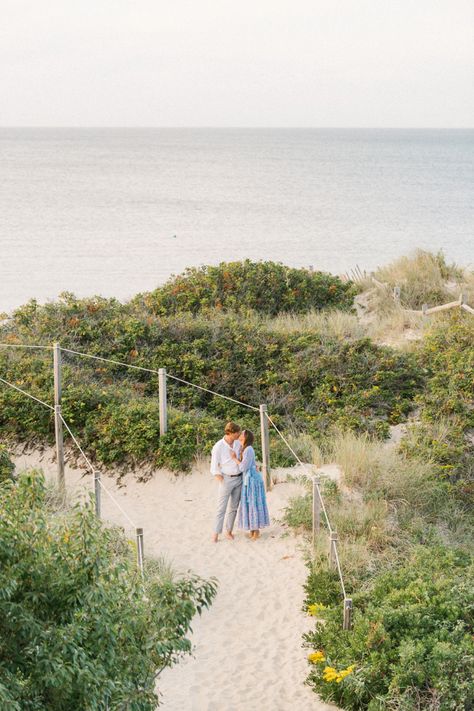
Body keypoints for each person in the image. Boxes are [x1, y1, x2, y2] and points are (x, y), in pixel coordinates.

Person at [232, 429, 270, 540]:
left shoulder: (248, 449)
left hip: (252, 480)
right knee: (250, 503)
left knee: (253, 503)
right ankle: (253, 530)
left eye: (242, 434)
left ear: (246, 437)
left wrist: (234, 459)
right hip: (248, 479)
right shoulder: (244, 448)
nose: (240, 435)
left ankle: (256, 531)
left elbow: (243, 467)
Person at [210, 421, 242, 543]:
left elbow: (242, 458)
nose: (239, 434)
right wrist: (222, 480)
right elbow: (213, 467)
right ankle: (216, 534)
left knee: (234, 507)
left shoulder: (238, 443)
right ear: (230, 433)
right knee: (221, 508)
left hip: (238, 478)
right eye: (237, 433)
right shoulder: (218, 446)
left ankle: (228, 531)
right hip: (226, 479)